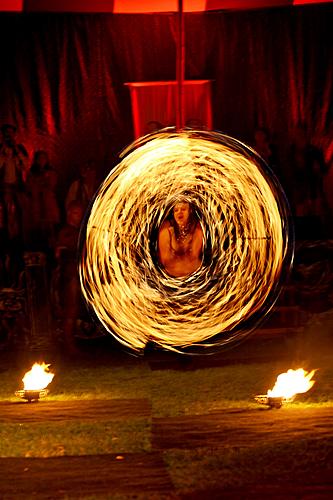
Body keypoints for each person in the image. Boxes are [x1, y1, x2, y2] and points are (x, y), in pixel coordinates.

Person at [158, 200, 203, 277]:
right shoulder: (167, 227)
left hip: (194, 277)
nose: (179, 212)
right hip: (170, 278)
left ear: (190, 212)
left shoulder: (197, 227)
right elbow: (165, 260)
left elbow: (194, 257)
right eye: (176, 210)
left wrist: (176, 258)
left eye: (183, 209)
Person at [25, 150, 60, 251]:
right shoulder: (32, 174)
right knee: (37, 234)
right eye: (40, 158)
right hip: (36, 209)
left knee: (50, 233)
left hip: (49, 208)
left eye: (44, 158)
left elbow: (52, 185)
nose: (42, 160)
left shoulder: (51, 172)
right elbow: (30, 188)